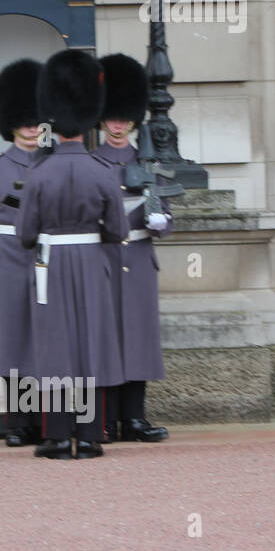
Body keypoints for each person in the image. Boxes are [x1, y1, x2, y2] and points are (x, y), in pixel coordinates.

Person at [17, 50, 127, 460]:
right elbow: (117, 231)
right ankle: (92, 434)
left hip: (50, 261)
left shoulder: (38, 173)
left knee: (56, 346)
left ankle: (58, 436)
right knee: (91, 344)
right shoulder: (103, 172)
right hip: (91, 260)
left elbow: (26, 234)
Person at [0, 58, 47, 446]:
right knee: (11, 342)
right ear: (12, 123)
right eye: (25, 121)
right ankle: (16, 422)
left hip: (46, 259)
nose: (32, 128)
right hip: (7, 260)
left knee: (42, 341)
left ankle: (42, 420)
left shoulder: (53, 164)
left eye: (36, 121)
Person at [97, 54, 172, 443]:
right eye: (112, 118)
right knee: (108, 338)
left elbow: (166, 212)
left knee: (138, 338)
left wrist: (162, 221)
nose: (118, 124)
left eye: (124, 118)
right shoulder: (93, 162)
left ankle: (136, 418)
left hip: (140, 260)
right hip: (105, 259)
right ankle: (107, 420)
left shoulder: (148, 160)